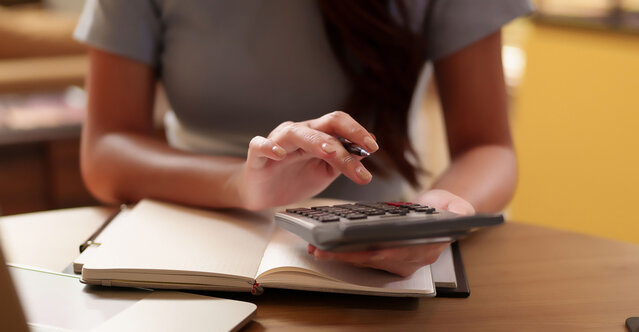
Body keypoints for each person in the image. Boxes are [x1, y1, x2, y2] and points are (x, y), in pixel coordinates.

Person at [73, 0, 533, 277]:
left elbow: (487, 147)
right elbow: (105, 149)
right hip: (188, 245)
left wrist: (437, 214)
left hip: (377, 261)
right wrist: (240, 183)